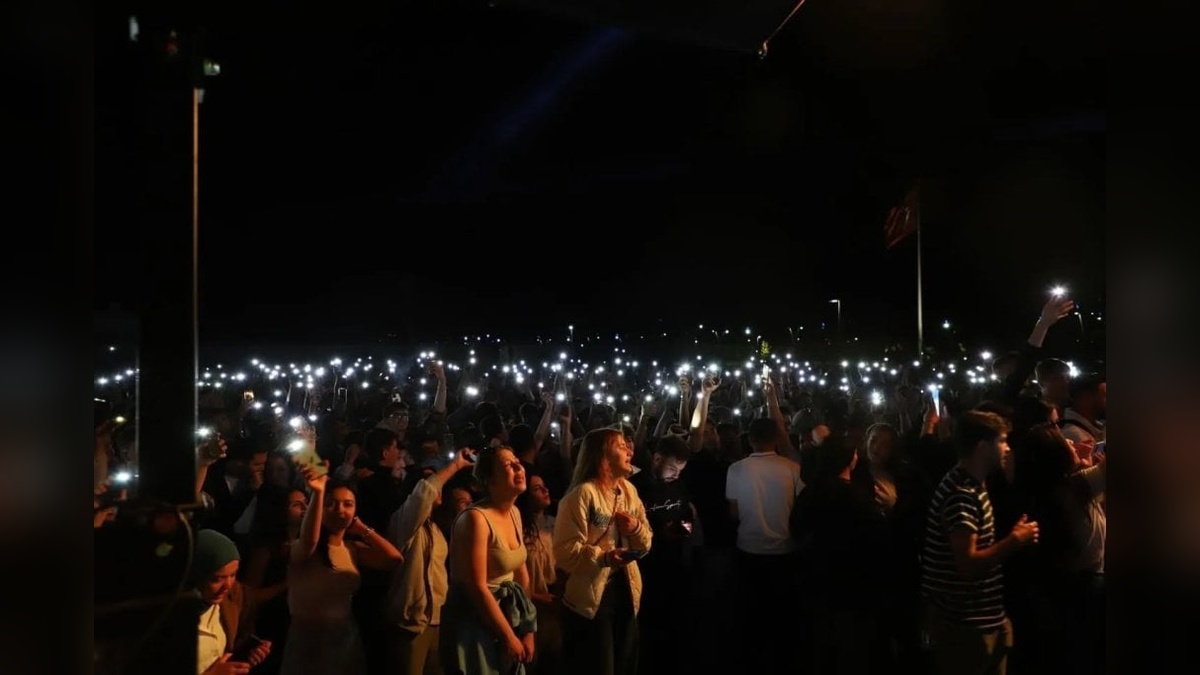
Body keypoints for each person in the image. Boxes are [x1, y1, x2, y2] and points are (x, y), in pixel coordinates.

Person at [553, 428, 653, 675]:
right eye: (620, 446)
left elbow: (646, 542)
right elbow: (565, 551)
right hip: (590, 602)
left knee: (625, 663)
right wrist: (604, 557)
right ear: (602, 456)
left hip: (628, 594)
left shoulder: (629, 491)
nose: (629, 451)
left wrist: (636, 527)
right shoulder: (582, 495)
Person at [440, 446, 538, 675]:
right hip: (474, 621)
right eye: (507, 465)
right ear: (489, 480)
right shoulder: (476, 519)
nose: (518, 467)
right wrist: (508, 636)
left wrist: (527, 630)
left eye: (517, 461)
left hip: (506, 615)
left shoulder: (515, 512)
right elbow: (476, 587)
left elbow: (521, 574)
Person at [193, 529, 274, 675]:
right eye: (217, 579)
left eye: (233, 575)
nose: (228, 585)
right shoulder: (165, 618)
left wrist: (248, 653)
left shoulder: (232, 599)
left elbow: (229, 650)